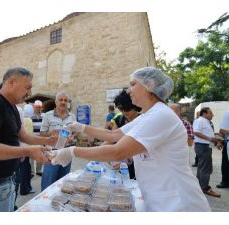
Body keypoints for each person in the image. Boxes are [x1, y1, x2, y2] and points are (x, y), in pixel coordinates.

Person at [51, 67, 210, 211]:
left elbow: (118, 151)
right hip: (160, 199)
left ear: (150, 85)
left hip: (179, 203)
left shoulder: (160, 115)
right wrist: (82, 127)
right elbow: (113, 135)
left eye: (133, 84)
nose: (128, 91)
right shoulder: (148, 115)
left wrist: (73, 151)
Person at [0, 67, 58, 212]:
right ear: (11, 82)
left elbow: (24, 136)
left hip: (5, 182)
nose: (29, 93)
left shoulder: (13, 108)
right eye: (27, 88)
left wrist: (48, 141)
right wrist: (29, 151)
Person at [40, 90, 76, 191]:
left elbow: (74, 132)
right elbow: (42, 133)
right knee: (48, 182)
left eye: (65, 100)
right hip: (52, 152)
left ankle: (58, 203)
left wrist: (71, 137)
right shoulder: (47, 115)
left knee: (63, 181)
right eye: (61, 100)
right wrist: (51, 133)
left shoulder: (72, 117)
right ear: (56, 102)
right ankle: (45, 203)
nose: (63, 102)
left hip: (67, 152)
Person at [110, 89, 141, 179]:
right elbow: (111, 140)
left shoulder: (143, 120)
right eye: (121, 109)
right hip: (120, 165)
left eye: (127, 108)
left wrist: (129, 159)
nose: (124, 112)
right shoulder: (119, 120)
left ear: (135, 106)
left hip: (138, 166)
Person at [193, 107, 220, 197]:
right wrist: (210, 139)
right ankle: (205, 188)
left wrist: (215, 142)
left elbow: (209, 134)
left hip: (205, 146)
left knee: (202, 167)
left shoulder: (206, 121)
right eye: (210, 113)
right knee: (206, 168)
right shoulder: (200, 120)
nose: (212, 115)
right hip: (203, 146)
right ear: (204, 113)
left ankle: (200, 186)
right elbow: (196, 132)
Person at [216, 110, 229, 188]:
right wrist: (219, 142)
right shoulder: (227, 113)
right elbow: (222, 130)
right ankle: (225, 182)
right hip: (227, 143)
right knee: (225, 164)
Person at [31, 100, 44, 176]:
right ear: (34, 107)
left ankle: (39, 170)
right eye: (37, 107)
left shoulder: (43, 116)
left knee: (41, 154)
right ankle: (32, 171)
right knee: (32, 154)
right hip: (33, 138)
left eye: (39, 107)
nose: (38, 109)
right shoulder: (31, 116)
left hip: (41, 138)